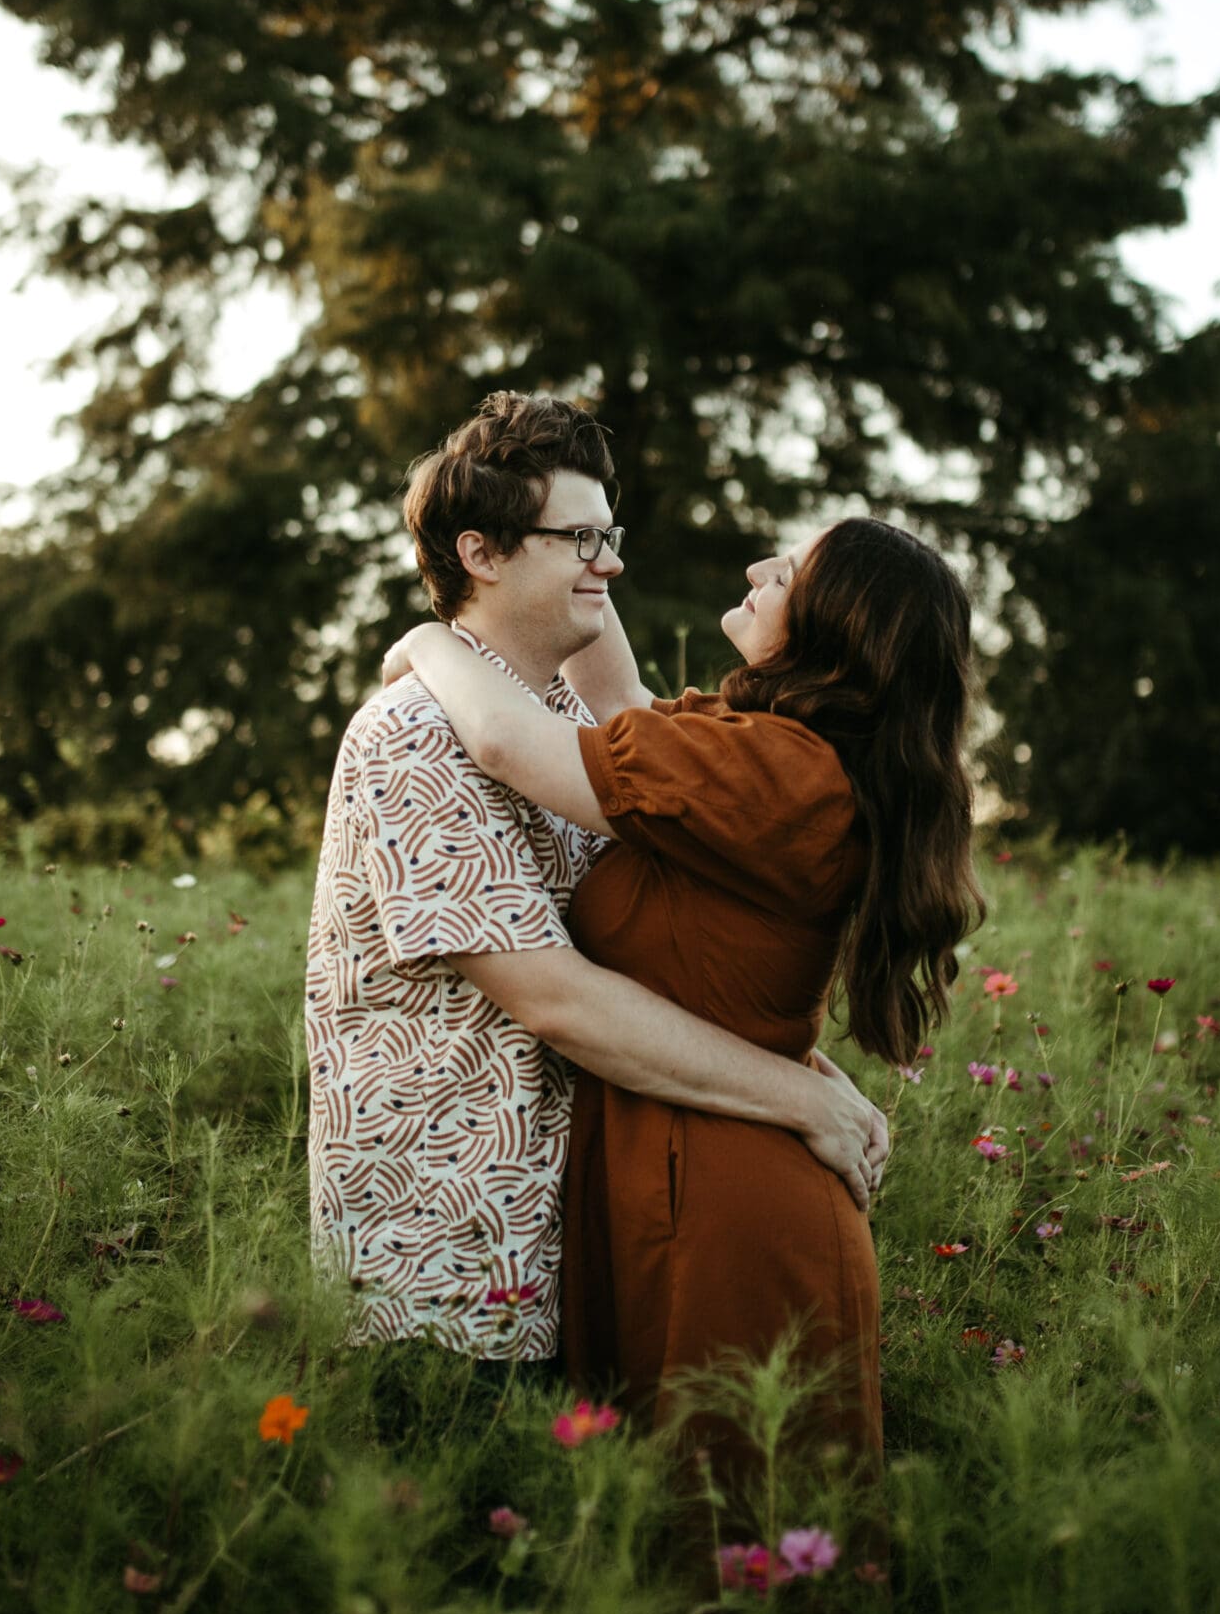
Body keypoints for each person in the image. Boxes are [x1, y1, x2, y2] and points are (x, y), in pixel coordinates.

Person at [304, 392, 887, 1372]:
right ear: (483, 552)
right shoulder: (416, 735)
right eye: (579, 539)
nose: (610, 563)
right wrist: (801, 1094)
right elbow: (557, 999)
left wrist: (815, 1070)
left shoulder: (562, 736)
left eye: (609, 536)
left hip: (573, 1260)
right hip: (447, 1280)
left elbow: (650, 958)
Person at [386, 515, 983, 1463]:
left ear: (832, 627)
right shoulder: (770, 749)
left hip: (728, 1209)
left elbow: (506, 741)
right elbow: (615, 691)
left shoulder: (775, 772)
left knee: (724, 1543)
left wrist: (429, 637)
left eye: (783, 574)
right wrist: (576, 540)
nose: (757, 569)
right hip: (687, 1170)